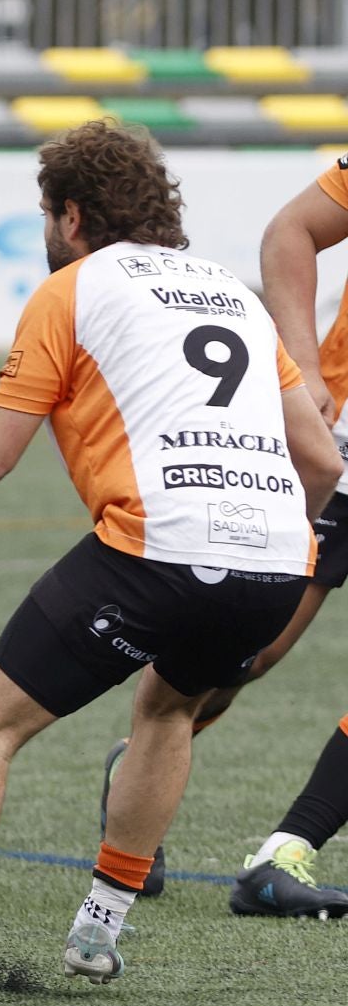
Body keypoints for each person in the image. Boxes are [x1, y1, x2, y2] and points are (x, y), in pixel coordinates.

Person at [0, 120, 341, 1006]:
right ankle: (100, 927)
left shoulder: (72, 289)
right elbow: (316, 457)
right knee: (169, 706)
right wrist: (280, 539)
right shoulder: (230, 293)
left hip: (160, 547)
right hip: (276, 560)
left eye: (48, 214)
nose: (48, 232)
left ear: (71, 214)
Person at [95, 152, 348, 909]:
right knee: (252, 653)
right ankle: (136, 765)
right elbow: (291, 231)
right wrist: (300, 367)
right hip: (337, 452)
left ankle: (283, 854)